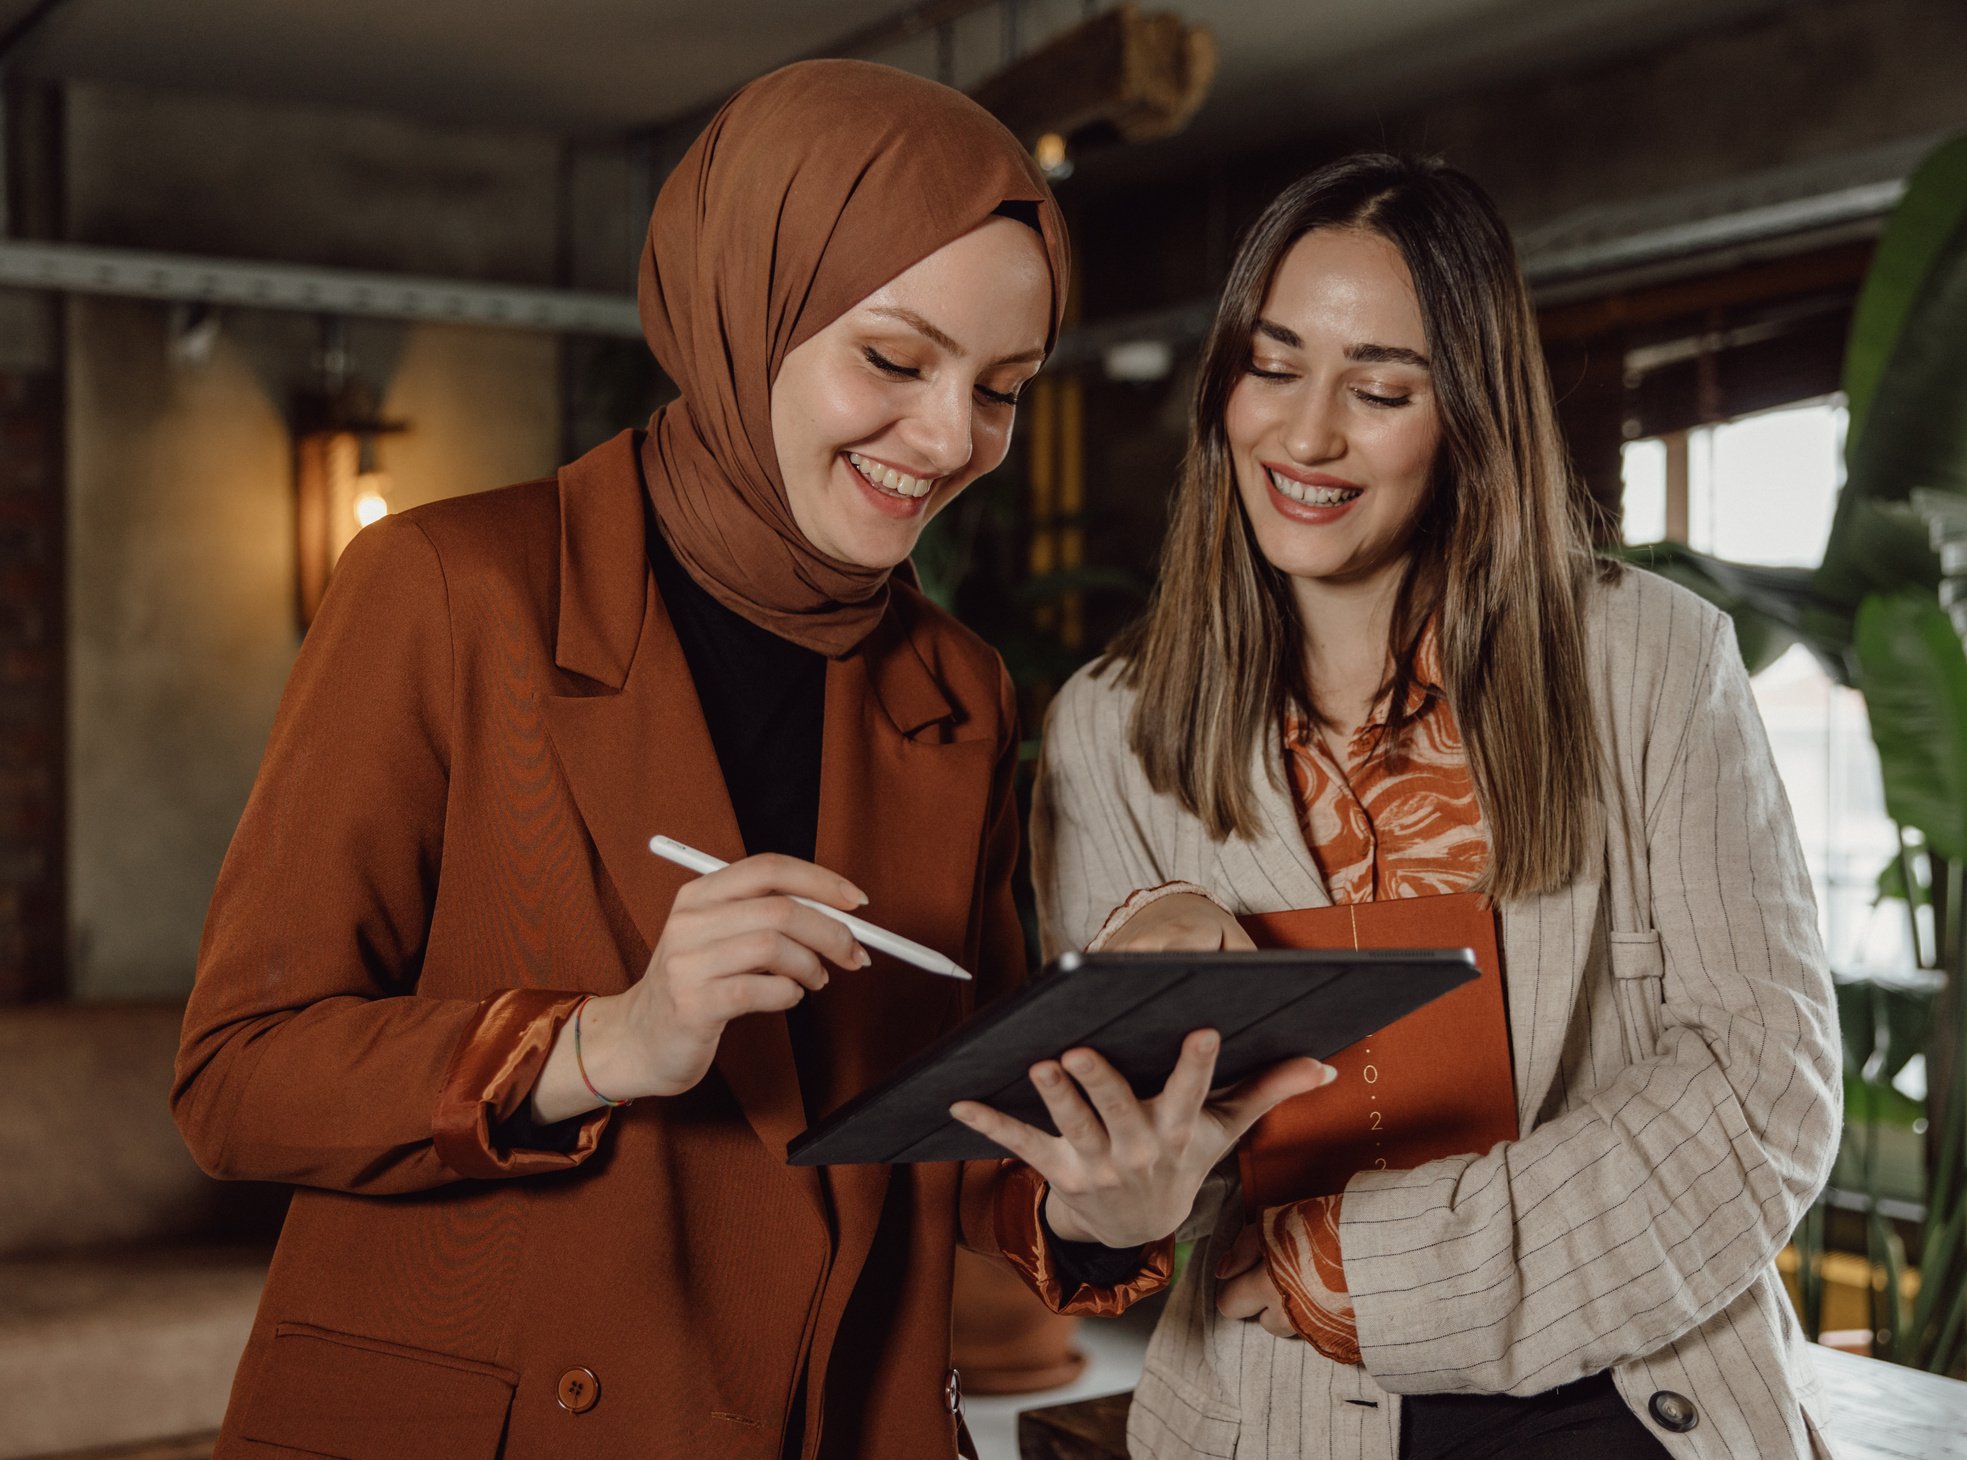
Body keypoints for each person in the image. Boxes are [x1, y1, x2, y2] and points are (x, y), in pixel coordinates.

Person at [172, 60, 1324, 1460]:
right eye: (893, 361)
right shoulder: (445, 587)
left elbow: (948, 1126)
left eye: (1002, 388)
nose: (951, 438)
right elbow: (236, 1081)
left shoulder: (953, 688)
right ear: (743, 310)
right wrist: (600, 1043)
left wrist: (1099, 1207)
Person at [1025, 154, 1842, 1460]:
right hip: (1272, 1407)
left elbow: (1762, 1096)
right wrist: (1112, 1192)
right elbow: (1149, 1205)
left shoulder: (1651, 666)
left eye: (1381, 388)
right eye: (1273, 365)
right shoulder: (1107, 734)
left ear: (1466, 413)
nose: (1306, 434)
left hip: (1633, 1398)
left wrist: (1367, 1268)